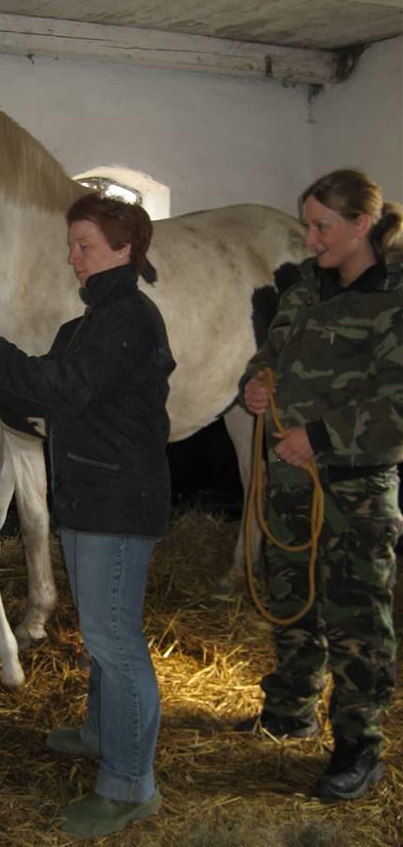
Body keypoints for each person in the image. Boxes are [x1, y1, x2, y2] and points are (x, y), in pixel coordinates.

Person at [0, 192, 175, 839]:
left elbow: (68, 387)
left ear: (125, 248)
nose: (72, 256)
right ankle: (100, 732)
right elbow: (42, 389)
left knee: (116, 642)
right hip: (90, 494)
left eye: (84, 245)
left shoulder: (129, 319)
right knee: (101, 635)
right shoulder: (84, 325)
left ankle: (130, 786)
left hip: (116, 500)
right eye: (72, 244)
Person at [237, 168, 403, 801]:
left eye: (321, 226)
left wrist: (323, 437)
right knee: (292, 596)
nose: (310, 239)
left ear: (361, 225)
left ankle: (360, 745)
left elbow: (397, 401)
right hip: (290, 479)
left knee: (357, 615)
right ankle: (291, 710)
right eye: (307, 225)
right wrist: (257, 384)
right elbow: (272, 355)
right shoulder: (306, 287)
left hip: (355, 486)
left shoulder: (393, 296)